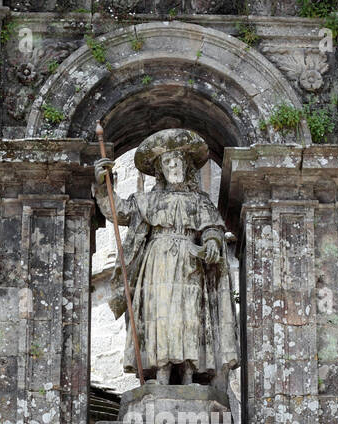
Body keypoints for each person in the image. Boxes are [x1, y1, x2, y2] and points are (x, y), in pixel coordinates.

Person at [93, 128, 238, 388]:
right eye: (168, 162)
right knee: (159, 316)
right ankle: (160, 373)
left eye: (177, 161)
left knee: (189, 316)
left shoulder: (199, 201)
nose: (173, 166)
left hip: (190, 262)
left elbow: (212, 228)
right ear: (161, 169)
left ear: (186, 165)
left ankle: (189, 374)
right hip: (157, 263)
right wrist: (105, 186)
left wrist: (213, 242)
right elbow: (119, 211)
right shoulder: (148, 200)